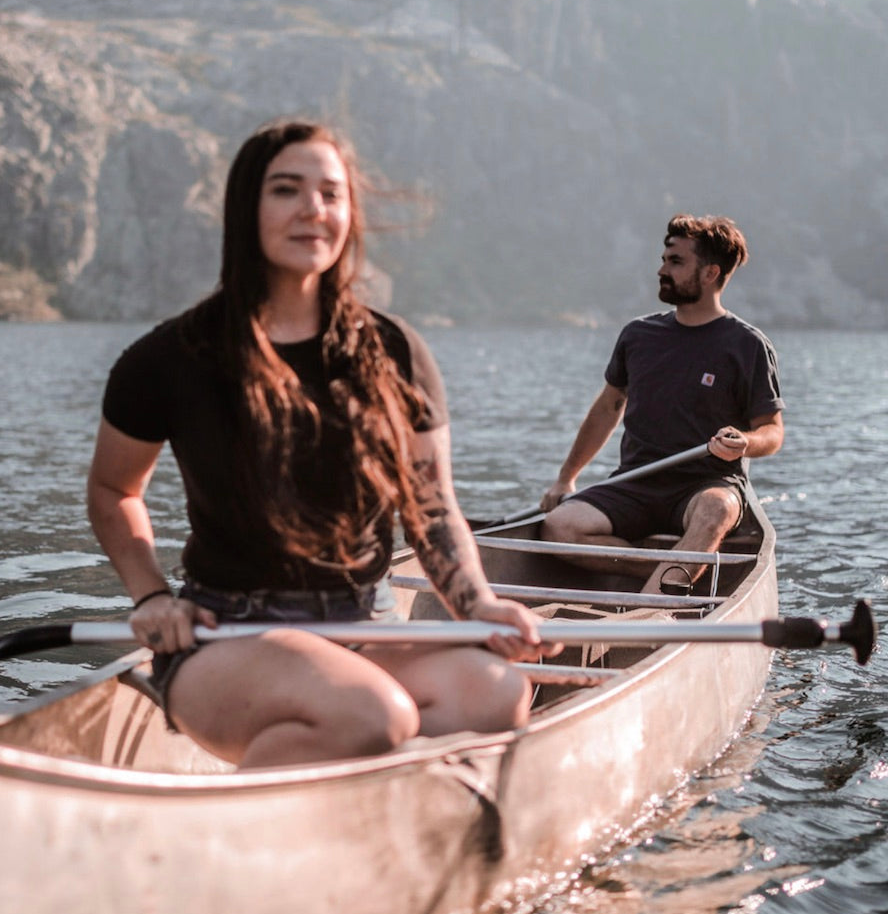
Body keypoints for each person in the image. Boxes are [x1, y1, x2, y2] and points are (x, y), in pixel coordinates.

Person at [87, 118, 558, 770]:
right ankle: (238, 838)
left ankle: (339, 793)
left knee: (497, 691)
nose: (314, 209)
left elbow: (431, 506)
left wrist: (478, 603)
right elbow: (115, 489)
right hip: (224, 635)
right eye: (287, 189)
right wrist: (151, 597)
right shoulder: (171, 357)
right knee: (373, 714)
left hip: (362, 623)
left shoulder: (394, 351)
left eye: (332, 194)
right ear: (246, 207)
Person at [538, 214, 784, 594]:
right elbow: (608, 408)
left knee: (717, 510)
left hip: (708, 483)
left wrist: (746, 443)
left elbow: (772, 431)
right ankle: (676, 568)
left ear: (709, 273)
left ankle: (650, 610)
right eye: (664, 259)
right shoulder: (638, 335)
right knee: (558, 526)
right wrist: (566, 477)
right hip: (635, 482)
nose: (661, 270)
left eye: (676, 262)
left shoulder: (748, 345)